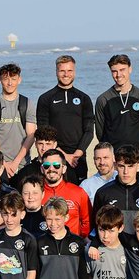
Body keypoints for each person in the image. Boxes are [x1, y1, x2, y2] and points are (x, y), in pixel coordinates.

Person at [35, 55, 94, 184]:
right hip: (53, 158)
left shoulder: (84, 98)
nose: (66, 74)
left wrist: (77, 154)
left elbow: (89, 130)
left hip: (78, 159)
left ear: (74, 72)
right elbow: (43, 132)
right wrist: (64, 155)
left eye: (69, 70)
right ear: (56, 72)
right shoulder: (45, 98)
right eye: (62, 71)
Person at [94, 55, 139, 164]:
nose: (118, 75)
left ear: (130, 69)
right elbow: (100, 132)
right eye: (114, 71)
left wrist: (137, 148)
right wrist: (108, 154)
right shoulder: (103, 99)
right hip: (113, 159)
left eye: (122, 70)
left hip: (135, 156)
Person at [92, 144, 139, 233]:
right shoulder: (103, 193)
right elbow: (96, 225)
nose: (126, 172)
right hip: (113, 245)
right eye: (121, 166)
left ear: (138, 166)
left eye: (130, 166)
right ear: (115, 166)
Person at [0, 63, 37, 179]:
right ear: (0, 80)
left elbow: (31, 135)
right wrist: (3, 162)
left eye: (13, 79)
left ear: (19, 80)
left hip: (22, 163)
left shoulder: (27, 103)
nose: (10, 83)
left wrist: (16, 162)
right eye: (6, 79)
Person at [38, 148, 91, 237]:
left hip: (72, 246)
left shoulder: (78, 192)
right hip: (44, 246)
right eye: (46, 165)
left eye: (56, 165)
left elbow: (87, 222)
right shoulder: (35, 194)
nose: (51, 169)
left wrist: (78, 241)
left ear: (64, 169)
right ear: (42, 169)